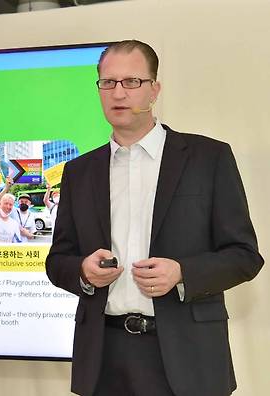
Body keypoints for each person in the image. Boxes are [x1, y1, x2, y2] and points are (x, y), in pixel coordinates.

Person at [46, 40, 263, 396]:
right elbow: (58, 260)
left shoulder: (208, 158)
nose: (118, 92)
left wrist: (182, 273)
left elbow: (244, 256)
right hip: (103, 356)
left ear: (154, 90)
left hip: (187, 355)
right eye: (108, 82)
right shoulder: (79, 171)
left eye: (132, 82)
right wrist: (83, 271)